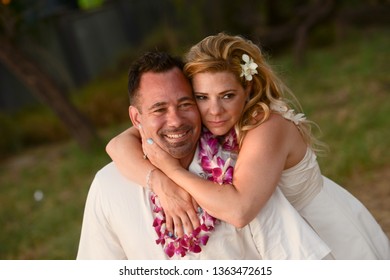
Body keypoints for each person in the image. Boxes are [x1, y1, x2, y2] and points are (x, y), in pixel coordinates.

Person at [106, 33, 390, 259]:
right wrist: (157, 181)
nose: (214, 111)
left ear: (249, 90)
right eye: (202, 97)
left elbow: (239, 210)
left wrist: (172, 171)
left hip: (322, 234)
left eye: (227, 95)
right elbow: (118, 144)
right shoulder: (204, 116)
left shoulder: (267, 126)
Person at [77, 51, 331, 259]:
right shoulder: (108, 186)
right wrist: (160, 182)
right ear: (136, 118)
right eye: (159, 109)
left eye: (186, 104)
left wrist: (173, 173)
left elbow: (294, 257)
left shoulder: (240, 172)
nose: (175, 120)